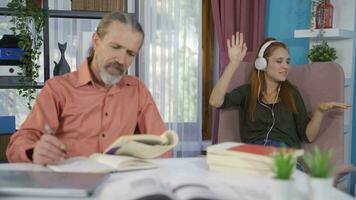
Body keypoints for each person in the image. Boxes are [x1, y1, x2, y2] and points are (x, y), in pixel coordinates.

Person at [7, 12, 167, 165]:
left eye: (130, 53)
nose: (121, 59)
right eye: (115, 47)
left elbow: (161, 146)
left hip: (119, 186)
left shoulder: (137, 90)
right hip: (70, 186)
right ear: (96, 41)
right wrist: (35, 151)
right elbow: (20, 142)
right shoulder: (58, 89)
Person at [210, 32, 350, 148]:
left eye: (288, 62)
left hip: (284, 157)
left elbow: (308, 136)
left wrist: (320, 111)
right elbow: (215, 101)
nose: (286, 67)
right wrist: (233, 64)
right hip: (256, 157)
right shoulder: (247, 92)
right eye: (279, 61)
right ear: (262, 64)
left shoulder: (292, 93)